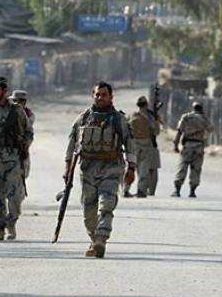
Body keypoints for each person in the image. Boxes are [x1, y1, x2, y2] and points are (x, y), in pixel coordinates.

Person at [64, 81, 136, 258]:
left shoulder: (119, 120)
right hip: (87, 168)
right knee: (89, 208)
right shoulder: (83, 118)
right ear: (92, 95)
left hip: (112, 167)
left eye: (104, 95)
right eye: (97, 94)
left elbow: (130, 143)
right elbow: (72, 142)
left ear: (111, 97)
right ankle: (94, 238)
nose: (100, 98)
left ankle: (101, 239)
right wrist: (67, 167)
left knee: (106, 205)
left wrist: (131, 167)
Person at [0, 78, 32, 241]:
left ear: (5, 90)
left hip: (13, 159)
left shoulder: (16, 110)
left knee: (14, 196)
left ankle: (11, 223)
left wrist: (24, 146)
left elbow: (28, 131)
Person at [171, 101, 213, 198]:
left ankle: (177, 190)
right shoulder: (203, 118)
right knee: (196, 168)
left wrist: (175, 145)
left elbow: (179, 131)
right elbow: (210, 129)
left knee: (182, 167)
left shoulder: (186, 117)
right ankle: (192, 191)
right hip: (198, 146)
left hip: (187, 145)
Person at [125, 95, 160, 198]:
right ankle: (141, 190)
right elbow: (156, 131)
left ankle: (125, 189)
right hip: (145, 145)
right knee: (143, 169)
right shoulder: (149, 117)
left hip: (133, 145)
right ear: (146, 104)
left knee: (131, 168)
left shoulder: (131, 115)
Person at [9, 90, 35, 179]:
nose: (18, 103)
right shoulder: (6, 111)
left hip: (20, 151)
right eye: (15, 101)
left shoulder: (28, 115)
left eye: (21, 101)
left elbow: (28, 133)